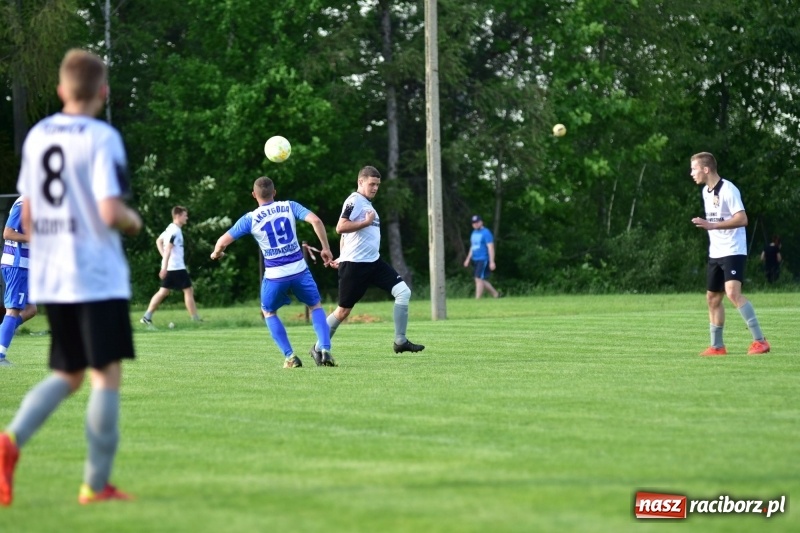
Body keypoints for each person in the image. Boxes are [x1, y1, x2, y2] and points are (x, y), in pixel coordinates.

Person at [1, 49, 142, 506]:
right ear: (103, 92)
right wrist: (132, 221)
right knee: (105, 376)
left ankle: (10, 443)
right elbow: (107, 211)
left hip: (52, 272)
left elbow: (34, 209)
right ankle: (95, 485)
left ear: (62, 90)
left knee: (68, 373)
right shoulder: (102, 138)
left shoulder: (40, 136)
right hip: (95, 274)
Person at [210, 177, 335, 368]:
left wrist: (216, 254)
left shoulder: (250, 219)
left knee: (268, 312)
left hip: (275, 275)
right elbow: (316, 220)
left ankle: (291, 357)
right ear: (274, 192)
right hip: (299, 270)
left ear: (254, 195)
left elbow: (222, 242)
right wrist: (325, 248)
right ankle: (325, 350)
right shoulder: (289, 206)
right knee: (315, 306)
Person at [310, 165, 424, 359]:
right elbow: (340, 227)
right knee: (343, 311)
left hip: (374, 262)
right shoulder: (354, 201)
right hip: (355, 266)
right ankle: (318, 348)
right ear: (360, 182)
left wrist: (341, 254)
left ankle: (400, 341)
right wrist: (364, 225)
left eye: (378, 185)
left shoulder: (367, 204)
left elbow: (348, 237)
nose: (375, 188)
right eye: (372, 184)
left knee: (403, 292)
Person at [690, 152, 769, 356]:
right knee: (712, 299)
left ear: (706, 169)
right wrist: (712, 227)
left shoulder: (729, 189)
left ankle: (760, 341)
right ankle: (717, 347)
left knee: (733, 293)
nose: (692, 173)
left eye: (694, 168)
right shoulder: (707, 192)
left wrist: (711, 225)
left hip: (733, 250)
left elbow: (742, 219)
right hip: (716, 253)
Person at [140, 206, 201, 325]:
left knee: (163, 292)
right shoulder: (175, 231)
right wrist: (164, 267)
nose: (187, 218)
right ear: (178, 216)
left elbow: (158, 241)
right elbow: (168, 249)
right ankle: (195, 319)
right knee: (188, 291)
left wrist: (164, 261)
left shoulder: (170, 228)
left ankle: (147, 317)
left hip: (171, 267)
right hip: (176, 267)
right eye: (185, 215)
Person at [0, 196, 38, 365]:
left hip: (25, 265)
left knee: (30, 309)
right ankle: (0, 356)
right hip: (17, 264)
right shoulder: (24, 203)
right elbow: (7, 233)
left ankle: (2, 335)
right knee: (13, 309)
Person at [462, 215, 500, 299]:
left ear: (481, 222)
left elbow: (490, 247)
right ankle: (496, 294)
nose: (475, 224)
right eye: (473, 223)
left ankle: (478, 299)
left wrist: (492, 261)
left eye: (477, 222)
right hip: (475, 258)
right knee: (480, 279)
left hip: (483, 258)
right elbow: (472, 247)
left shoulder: (486, 233)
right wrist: (468, 259)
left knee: (478, 279)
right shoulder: (473, 233)